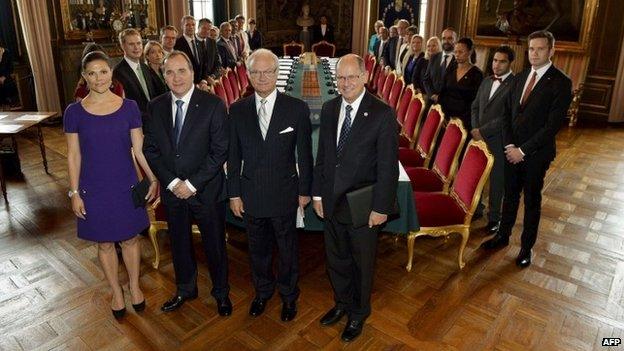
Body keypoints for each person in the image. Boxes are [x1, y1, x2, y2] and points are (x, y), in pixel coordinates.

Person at [64, 51, 158, 320]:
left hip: (125, 184)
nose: (98, 78)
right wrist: (73, 193)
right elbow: (73, 155)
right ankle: (116, 292)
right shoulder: (74, 112)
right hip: (92, 187)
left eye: (103, 71)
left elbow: (139, 152)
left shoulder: (129, 107)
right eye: (91, 73)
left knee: (130, 239)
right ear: (84, 77)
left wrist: (152, 178)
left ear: (111, 73)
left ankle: (135, 287)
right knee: (104, 244)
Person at [312, 54, 399, 342]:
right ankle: (341, 304)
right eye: (340, 77)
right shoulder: (329, 108)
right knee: (336, 259)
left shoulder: (381, 113)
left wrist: (380, 207)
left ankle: (359, 313)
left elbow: (388, 165)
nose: (345, 83)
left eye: (351, 77)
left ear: (365, 77)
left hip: (362, 206)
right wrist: (317, 194)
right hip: (331, 200)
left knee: (362, 263)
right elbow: (323, 158)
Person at [143, 51, 232, 315]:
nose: (176, 77)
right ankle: (185, 289)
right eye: (169, 72)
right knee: (179, 243)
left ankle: (221, 293)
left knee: (215, 245)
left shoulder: (213, 104)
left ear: (192, 72)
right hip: (172, 192)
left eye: (181, 71)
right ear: (163, 75)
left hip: (205, 190)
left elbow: (219, 151)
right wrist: (171, 183)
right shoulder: (155, 106)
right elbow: (150, 150)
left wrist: (191, 184)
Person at [227, 49, 313, 322]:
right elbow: (232, 157)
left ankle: (289, 296)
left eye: (268, 71)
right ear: (248, 75)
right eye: (256, 72)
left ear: (277, 73)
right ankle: (262, 292)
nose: (262, 77)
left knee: (288, 250)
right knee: (258, 249)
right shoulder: (237, 110)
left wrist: (304, 191)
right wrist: (234, 194)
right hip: (251, 193)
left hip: (285, 193)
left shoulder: (296, 108)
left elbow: (305, 155)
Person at [481, 30, 572, 268]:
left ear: (551, 51)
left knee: (532, 201)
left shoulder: (561, 82)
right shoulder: (520, 77)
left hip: (535, 154)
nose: (535, 53)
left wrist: (523, 150)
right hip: (511, 151)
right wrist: (510, 146)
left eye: (540, 49)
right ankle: (502, 236)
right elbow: (507, 114)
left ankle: (525, 248)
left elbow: (552, 126)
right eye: (531, 48)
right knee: (509, 197)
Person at [470, 45, 516, 235]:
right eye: (495, 60)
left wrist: (482, 130)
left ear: (510, 63)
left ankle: (494, 217)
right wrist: (474, 129)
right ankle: (477, 208)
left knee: (497, 180)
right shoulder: (486, 80)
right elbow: (474, 106)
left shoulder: (515, 85)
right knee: (477, 174)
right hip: (478, 138)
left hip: (498, 139)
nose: (496, 65)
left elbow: (507, 116)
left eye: (502, 61)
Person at [113, 29, 158, 120]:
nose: (136, 48)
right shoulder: (117, 72)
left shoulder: (145, 68)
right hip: (135, 123)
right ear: (122, 46)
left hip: (153, 120)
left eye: (138, 43)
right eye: (131, 44)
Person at [438, 37, 483, 130]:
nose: (457, 55)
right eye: (455, 52)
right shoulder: (450, 69)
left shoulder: (477, 74)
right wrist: (442, 115)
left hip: (464, 122)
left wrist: (459, 121)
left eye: (461, 52)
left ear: (470, 52)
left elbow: (475, 102)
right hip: (446, 119)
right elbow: (442, 93)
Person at [423, 28, 457, 103]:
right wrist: (432, 95)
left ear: (455, 41)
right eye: (444, 38)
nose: (446, 41)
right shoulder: (434, 57)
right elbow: (426, 80)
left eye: (450, 38)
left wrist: (441, 99)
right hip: (431, 102)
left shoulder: (458, 61)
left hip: (448, 104)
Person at [174, 16, 207, 84]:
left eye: (193, 25)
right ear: (182, 27)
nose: (191, 27)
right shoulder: (177, 44)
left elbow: (204, 64)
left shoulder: (200, 42)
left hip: (202, 84)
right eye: (187, 25)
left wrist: (203, 80)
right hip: (187, 84)